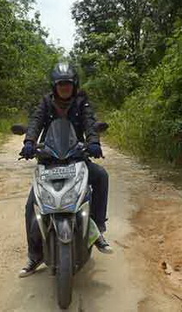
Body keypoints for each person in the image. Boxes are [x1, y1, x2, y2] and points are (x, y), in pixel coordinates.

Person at [19, 62, 113, 278]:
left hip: (75, 156)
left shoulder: (82, 102)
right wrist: (30, 141)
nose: (64, 88)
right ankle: (34, 255)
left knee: (101, 176)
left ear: (74, 85)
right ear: (54, 86)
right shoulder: (46, 102)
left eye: (68, 85)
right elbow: (35, 121)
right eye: (60, 85)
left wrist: (94, 142)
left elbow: (90, 123)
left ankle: (96, 229)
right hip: (49, 160)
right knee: (31, 205)